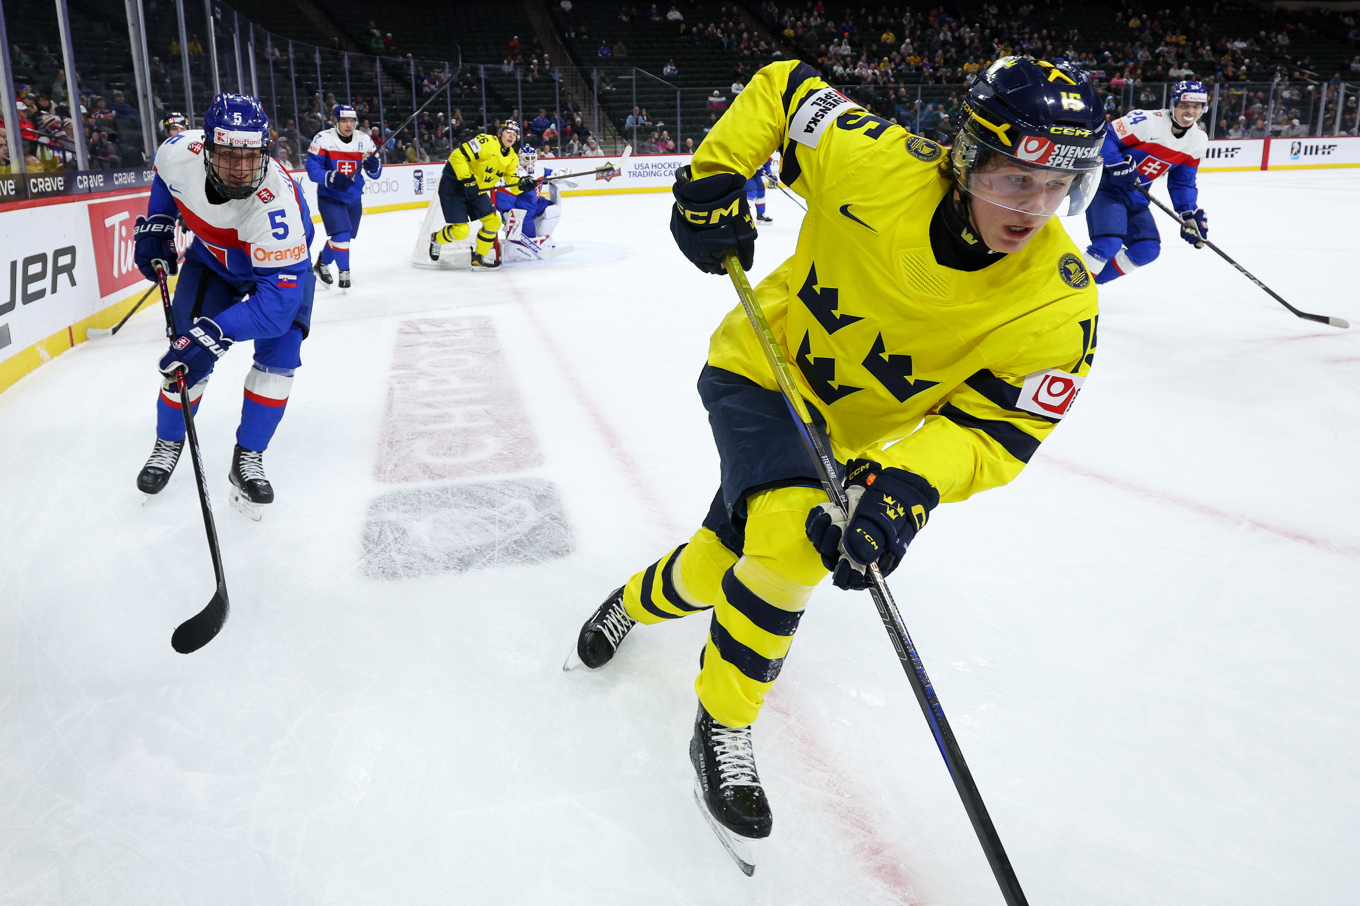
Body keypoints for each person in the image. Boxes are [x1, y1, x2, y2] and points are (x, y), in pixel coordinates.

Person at [564, 57, 1106, 870]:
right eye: (1014, 179)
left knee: (726, 561)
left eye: (1057, 185)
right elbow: (785, 90)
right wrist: (713, 179)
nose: (1034, 209)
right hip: (760, 370)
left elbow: (992, 432)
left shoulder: (1060, 304)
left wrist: (906, 489)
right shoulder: (877, 161)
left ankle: (633, 604)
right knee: (790, 540)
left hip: (845, 439)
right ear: (966, 156)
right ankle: (724, 719)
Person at [132, 94, 315, 519]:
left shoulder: (277, 205)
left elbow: (275, 308)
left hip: (280, 277)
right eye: (229, 155)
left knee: (280, 361)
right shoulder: (179, 152)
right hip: (213, 262)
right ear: (207, 149)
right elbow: (164, 179)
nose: (240, 167)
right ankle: (169, 440)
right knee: (186, 362)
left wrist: (213, 333)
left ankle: (248, 457)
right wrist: (158, 223)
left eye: (251, 156)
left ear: (264, 151)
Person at [1083, 79, 1208, 283]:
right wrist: (1118, 164)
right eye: (1184, 105)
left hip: (1136, 195)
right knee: (1108, 243)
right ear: (1173, 105)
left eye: (1196, 106)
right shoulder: (1147, 121)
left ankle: (1085, 286)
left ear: (1203, 109)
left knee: (1146, 249)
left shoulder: (1198, 140)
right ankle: (1066, 291)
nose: (1190, 111)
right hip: (1106, 187)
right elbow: (1104, 135)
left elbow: (1182, 182)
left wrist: (1189, 214)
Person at [306, 105, 382, 289]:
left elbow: (376, 172)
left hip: (353, 197)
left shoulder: (364, 140)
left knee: (344, 237)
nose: (348, 125)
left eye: (351, 121)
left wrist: (373, 166)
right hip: (330, 197)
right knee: (341, 236)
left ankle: (322, 263)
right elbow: (312, 168)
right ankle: (344, 273)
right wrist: (330, 177)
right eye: (344, 121)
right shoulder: (323, 139)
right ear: (335, 121)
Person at [429, 121, 522, 268]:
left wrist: (524, 184)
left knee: (494, 222)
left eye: (515, 134)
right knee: (461, 231)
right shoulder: (485, 141)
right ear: (500, 133)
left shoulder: (512, 157)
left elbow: (513, 183)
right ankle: (436, 238)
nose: (512, 135)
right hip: (455, 187)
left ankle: (478, 257)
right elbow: (456, 156)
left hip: (476, 190)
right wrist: (468, 180)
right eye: (508, 132)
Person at [490, 147, 566, 261]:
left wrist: (561, 176)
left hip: (535, 204)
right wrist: (506, 214)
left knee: (553, 210)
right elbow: (503, 194)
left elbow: (551, 174)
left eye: (532, 158)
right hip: (523, 213)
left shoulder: (539, 168)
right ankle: (516, 250)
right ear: (520, 158)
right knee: (520, 241)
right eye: (526, 158)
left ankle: (545, 241)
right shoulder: (513, 172)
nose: (529, 161)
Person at [743, 152, 776, 222]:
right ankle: (741, 215)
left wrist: (770, 175)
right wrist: (758, 168)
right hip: (746, 172)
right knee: (751, 191)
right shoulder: (758, 149)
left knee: (761, 191)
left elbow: (767, 166)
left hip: (755, 174)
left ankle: (760, 215)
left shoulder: (771, 152)